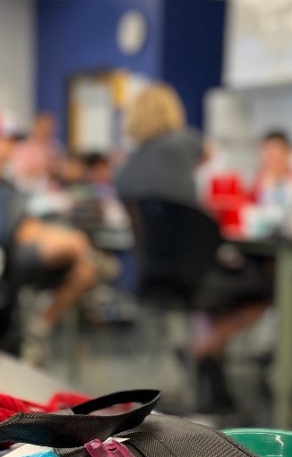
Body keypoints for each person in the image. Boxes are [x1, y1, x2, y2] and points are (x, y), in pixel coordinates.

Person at [116, 83, 271, 413]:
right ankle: (201, 350)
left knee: (210, 297)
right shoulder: (184, 142)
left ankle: (211, 375)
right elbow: (210, 155)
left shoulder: (124, 170)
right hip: (194, 273)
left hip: (152, 274)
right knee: (263, 288)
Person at [0, 112, 97, 366]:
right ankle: (34, 327)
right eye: (6, 139)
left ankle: (39, 327)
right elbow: (8, 233)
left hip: (15, 260)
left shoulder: (8, 186)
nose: (12, 146)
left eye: (14, 140)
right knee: (70, 248)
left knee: (84, 269)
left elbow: (26, 223)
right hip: (0, 268)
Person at [252, 130, 292, 211]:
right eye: (266, 151)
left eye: (275, 151)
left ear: (287, 152)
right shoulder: (257, 183)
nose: (270, 156)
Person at [10, 110, 62, 190]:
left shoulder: (56, 147)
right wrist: (41, 170)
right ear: (35, 127)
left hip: (53, 191)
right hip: (30, 192)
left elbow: (61, 171)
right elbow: (18, 175)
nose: (46, 131)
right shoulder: (22, 148)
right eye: (43, 126)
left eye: (49, 128)